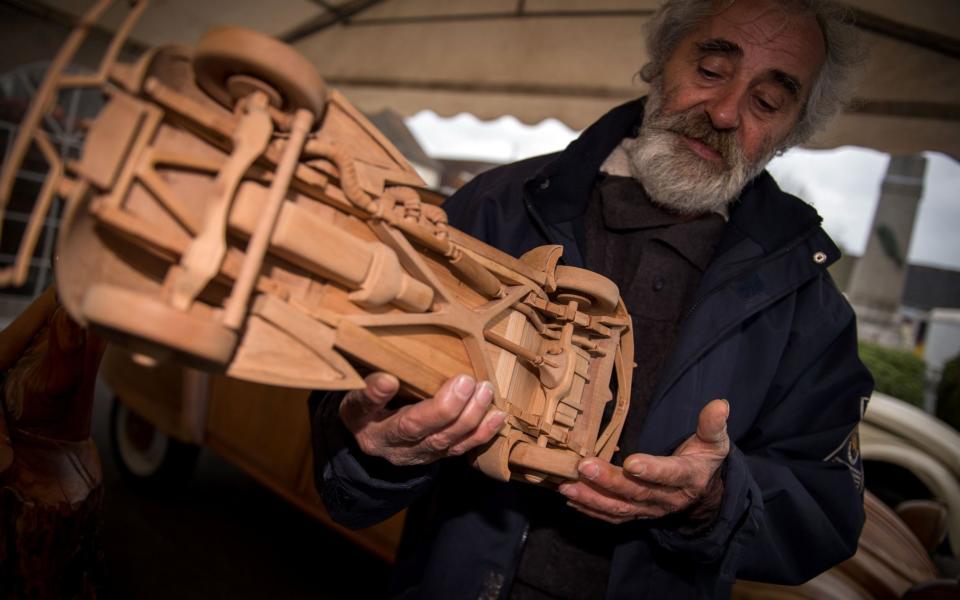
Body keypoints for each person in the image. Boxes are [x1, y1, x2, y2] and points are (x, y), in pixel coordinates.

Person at [310, 0, 873, 597]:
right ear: (660, 63)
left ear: (794, 132)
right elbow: (353, 380)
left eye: (768, 101)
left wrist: (712, 498)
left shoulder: (808, 305)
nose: (727, 111)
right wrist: (370, 444)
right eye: (710, 70)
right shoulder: (492, 210)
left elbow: (826, 511)